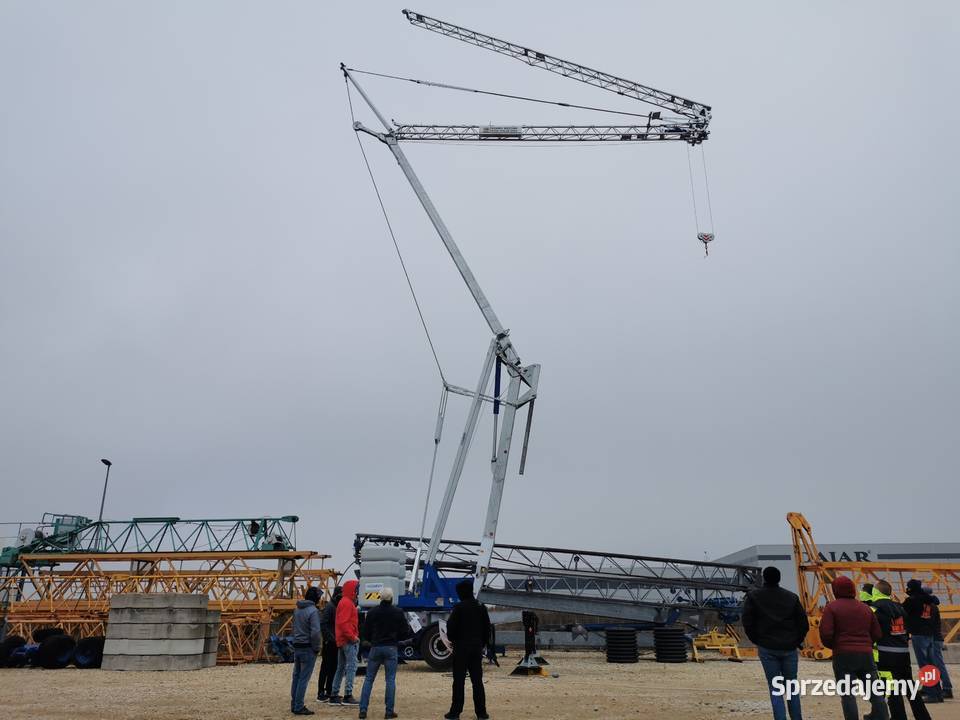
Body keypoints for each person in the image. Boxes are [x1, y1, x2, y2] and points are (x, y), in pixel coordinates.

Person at [742, 566, 809, 720]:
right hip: (789, 648)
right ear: (779, 578)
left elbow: (747, 621)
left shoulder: (754, 596)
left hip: (767, 647)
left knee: (775, 688)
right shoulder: (791, 597)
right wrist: (796, 641)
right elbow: (803, 623)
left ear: (764, 578)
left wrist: (757, 640)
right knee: (792, 687)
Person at [819, 575, 889, 720]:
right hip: (866, 655)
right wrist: (866, 644)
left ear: (835, 590)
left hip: (843, 655)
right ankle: (882, 717)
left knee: (848, 694)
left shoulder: (831, 607)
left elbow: (826, 633)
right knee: (874, 692)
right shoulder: (865, 608)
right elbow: (877, 633)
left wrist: (835, 646)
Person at [872, 580, 932, 720]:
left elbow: (872, 632)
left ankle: (899, 717)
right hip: (903, 654)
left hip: (885, 655)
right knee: (910, 688)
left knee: (892, 689)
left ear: (876, 592)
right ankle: (923, 717)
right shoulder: (900, 608)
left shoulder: (874, 609)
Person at [358, 587, 411, 720]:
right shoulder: (398, 612)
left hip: (375, 648)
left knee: (369, 679)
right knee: (390, 680)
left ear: (380, 598)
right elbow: (405, 631)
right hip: (391, 648)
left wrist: (370, 641)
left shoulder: (372, 612)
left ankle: (363, 710)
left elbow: (365, 631)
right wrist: (397, 638)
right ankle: (389, 712)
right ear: (391, 598)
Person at [444, 580, 491, 720]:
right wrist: (482, 643)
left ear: (461, 592)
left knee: (459, 681)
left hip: (461, 648)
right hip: (476, 648)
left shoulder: (459, 608)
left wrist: (453, 640)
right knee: (477, 681)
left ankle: (455, 712)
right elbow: (487, 628)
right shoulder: (481, 607)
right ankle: (481, 713)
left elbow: (450, 629)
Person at [903, 579, 952, 701]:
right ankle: (937, 692)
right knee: (931, 665)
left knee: (924, 665)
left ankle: (931, 693)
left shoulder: (912, 601)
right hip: (929, 635)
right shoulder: (929, 602)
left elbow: (902, 612)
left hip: (918, 635)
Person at [290, 586, 322, 716]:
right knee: (304, 678)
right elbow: (315, 632)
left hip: (297, 646)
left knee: (296, 677)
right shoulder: (313, 611)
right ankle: (299, 706)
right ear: (316, 598)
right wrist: (317, 647)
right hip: (308, 647)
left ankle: (294, 704)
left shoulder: (297, 610)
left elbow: (294, 628)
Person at [330, 579, 361, 706]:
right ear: (352, 590)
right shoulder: (347, 603)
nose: (357, 592)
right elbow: (344, 623)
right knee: (351, 667)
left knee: (341, 668)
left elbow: (343, 621)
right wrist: (353, 637)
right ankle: (348, 695)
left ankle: (334, 694)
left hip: (342, 640)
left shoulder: (344, 602)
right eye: (356, 589)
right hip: (348, 641)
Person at [316, 586, 342, 702]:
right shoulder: (330, 607)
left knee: (333, 667)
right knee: (326, 667)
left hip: (334, 641)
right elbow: (324, 624)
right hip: (330, 642)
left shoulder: (334, 606)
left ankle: (329, 690)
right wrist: (330, 638)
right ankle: (321, 693)